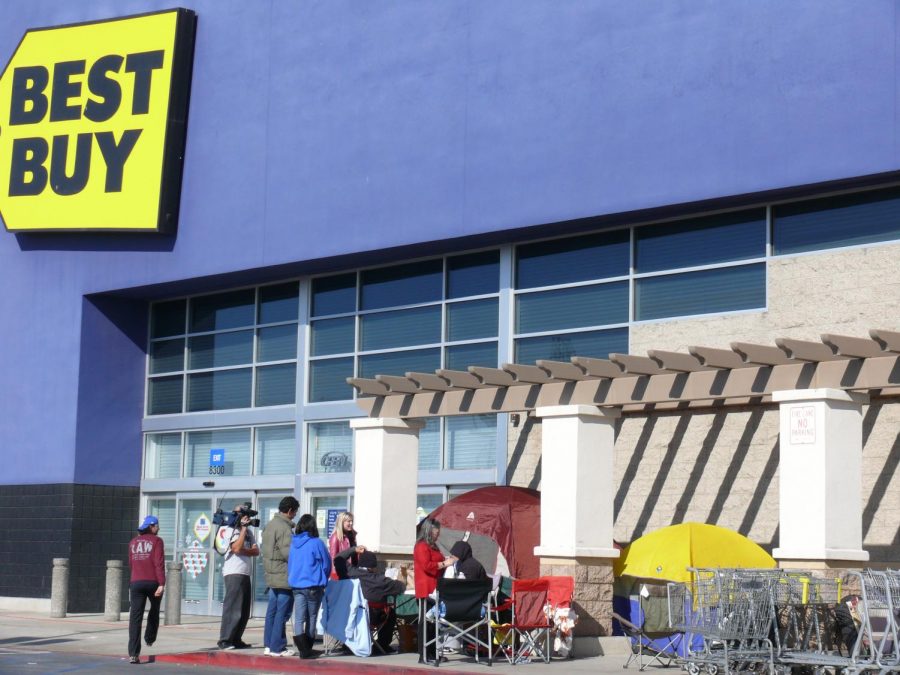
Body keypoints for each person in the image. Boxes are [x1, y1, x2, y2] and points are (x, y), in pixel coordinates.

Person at [342, 550, 407, 653]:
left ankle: (347, 643)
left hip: (349, 616)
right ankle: (382, 645)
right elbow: (401, 587)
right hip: (371, 617)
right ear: (373, 566)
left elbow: (338, 558)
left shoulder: (350, 573)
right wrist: (403, 576)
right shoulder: (380, 580)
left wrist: (354, 549)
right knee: (391, 613)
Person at [288, 513, 332, 659]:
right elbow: (326, 564)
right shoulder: (316, 542)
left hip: (297, 585)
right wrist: (323, 578)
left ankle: (302, 650)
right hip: (313, 585)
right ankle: (307, 649)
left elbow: (291, 564)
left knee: (299, 618)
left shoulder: (293, 543)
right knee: (312, 617)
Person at [414, 518, 456, 663]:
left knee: (433, 624)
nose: (438, 534)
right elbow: (427, 566)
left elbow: (437, 561)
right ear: (429, 530)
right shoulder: (421, 546)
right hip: (426, 589)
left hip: (435, 588)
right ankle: (424, 655)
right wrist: (445, 563)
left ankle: (432, 652)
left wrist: (447, 560)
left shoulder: (433, 546)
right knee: (426, 623)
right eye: (436, 531)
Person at [217, 504, 259, 650]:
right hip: (233, 572)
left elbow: (256, 551)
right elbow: (235, 548)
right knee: (232, 608)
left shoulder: (249, 532)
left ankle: (236, 639)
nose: (247, 517)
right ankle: (225, 640)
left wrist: (243, 549)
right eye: (244, 514)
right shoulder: (230, 529)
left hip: (245, 572)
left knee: (244, 609)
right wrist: (243, 530)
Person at [262, 496, 299, 657]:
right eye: (295, 512)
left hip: (271, 574)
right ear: (290, 510)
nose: (295, 515)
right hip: (283, 575)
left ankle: (269, 645)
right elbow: (288, 554)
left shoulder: (270, 525)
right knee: (282, 612)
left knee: (272, 611)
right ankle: (278, 647)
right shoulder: (284, 528)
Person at [127, 515, 166, 664]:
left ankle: (133, 654)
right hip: (152, 583)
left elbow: (131, 563)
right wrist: (161, 583)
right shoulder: (157, 541)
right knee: (155, 609)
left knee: (135, 618)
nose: (158, 528)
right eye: (157, 525)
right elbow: (159, 563)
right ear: (151, 526)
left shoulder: (133, 542)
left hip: (136, 583)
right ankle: (149, 638)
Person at [328, 511, 364, 580]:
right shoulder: (335, 537)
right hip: (341, 574)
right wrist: (336, 576)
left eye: (352, 521)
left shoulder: (352, 535)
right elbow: (333, 559)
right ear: (342, 522)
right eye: (348, 521)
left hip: (352, 572)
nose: (351, 523)